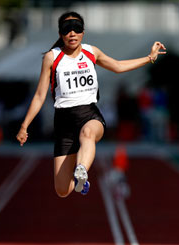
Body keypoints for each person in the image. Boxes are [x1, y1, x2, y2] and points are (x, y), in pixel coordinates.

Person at [16, 11, 166, 197]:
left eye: (76, 29)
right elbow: (39, 95)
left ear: (83, 32)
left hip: (89, 115)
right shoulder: (52, 57)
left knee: (87, 134)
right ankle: (80, 180)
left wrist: (149, 57)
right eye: (67, 29)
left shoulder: (91, 52)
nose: (72, 33)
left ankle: (82, 170)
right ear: (61, 34)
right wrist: (24, 126)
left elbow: (118, 66)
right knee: (62, 190)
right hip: (64, 121)